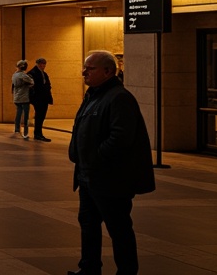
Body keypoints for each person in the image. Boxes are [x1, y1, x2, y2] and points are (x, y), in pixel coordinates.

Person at [69, 49, 155, 275]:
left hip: (110, 179)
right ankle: (89, 268)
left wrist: (97, 158)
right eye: (85, 67)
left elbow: (121, 137)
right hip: (88, 177)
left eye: (90, 68)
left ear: (108, 71)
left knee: (119, 228)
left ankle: (126, 271)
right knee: (88, 225)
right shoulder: (94, 95)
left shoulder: (119, 97)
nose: (83, 72)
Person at [29, 57, 53, 142]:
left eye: (44, 64)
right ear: (38, 64)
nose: (43, 66)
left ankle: (39, 133)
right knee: (39, 116)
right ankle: (37, 134)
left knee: (42, 116)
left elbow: (47, 85)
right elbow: (31, 87)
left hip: (44, 98)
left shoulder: (44, 74)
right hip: (38, 98)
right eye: (41, 64)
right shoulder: (33, 73)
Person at [11, 59, 34, 140]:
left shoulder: (14, 75)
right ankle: (25, 133)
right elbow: (32, 82)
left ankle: (17, 129)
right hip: (24, 97)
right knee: (26, 116)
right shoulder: (23, 75)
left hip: (16, 97)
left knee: (18, 114)